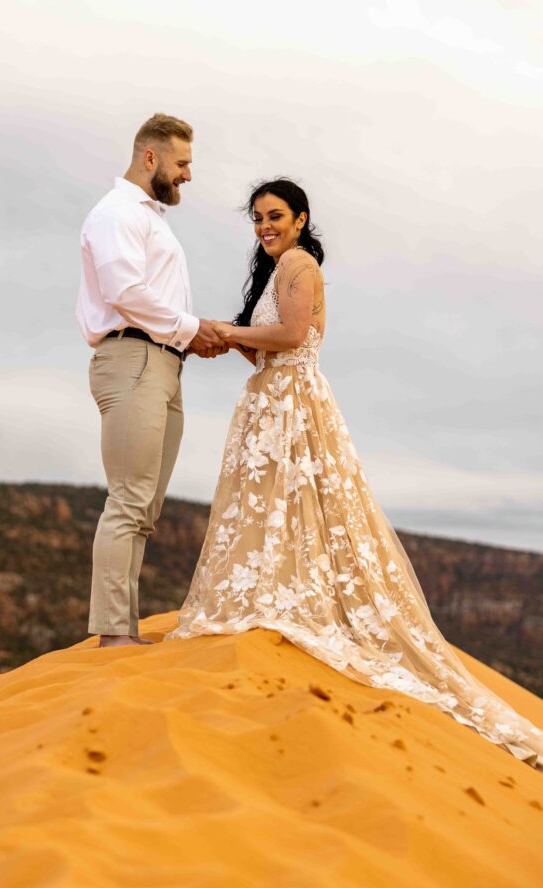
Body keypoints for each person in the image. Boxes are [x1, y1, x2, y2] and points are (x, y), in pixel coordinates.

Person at [166, 178, 543, 771]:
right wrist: (226, 340)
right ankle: (269, 595)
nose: (265, 227)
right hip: (273, 396)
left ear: (300, 218)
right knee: (272, 503)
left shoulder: (298, 264)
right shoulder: (277, 268)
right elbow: (274, 344)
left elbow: (292, 336)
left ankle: (284, 603)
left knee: (293, 502)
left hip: (290, 403)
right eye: (258, 218)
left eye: (275, 216)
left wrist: (229, 330)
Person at [76, 113, 226, 649]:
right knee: (130, 500)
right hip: (134, 358)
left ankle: (125, 631)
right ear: (150, 157)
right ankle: (115, 636)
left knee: (146, 506)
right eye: (182, 162)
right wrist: (192, 328)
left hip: (162, 362)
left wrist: (190, 338)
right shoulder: (118, 212)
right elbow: (124, 291)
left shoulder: (150, 217)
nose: (188, 174)